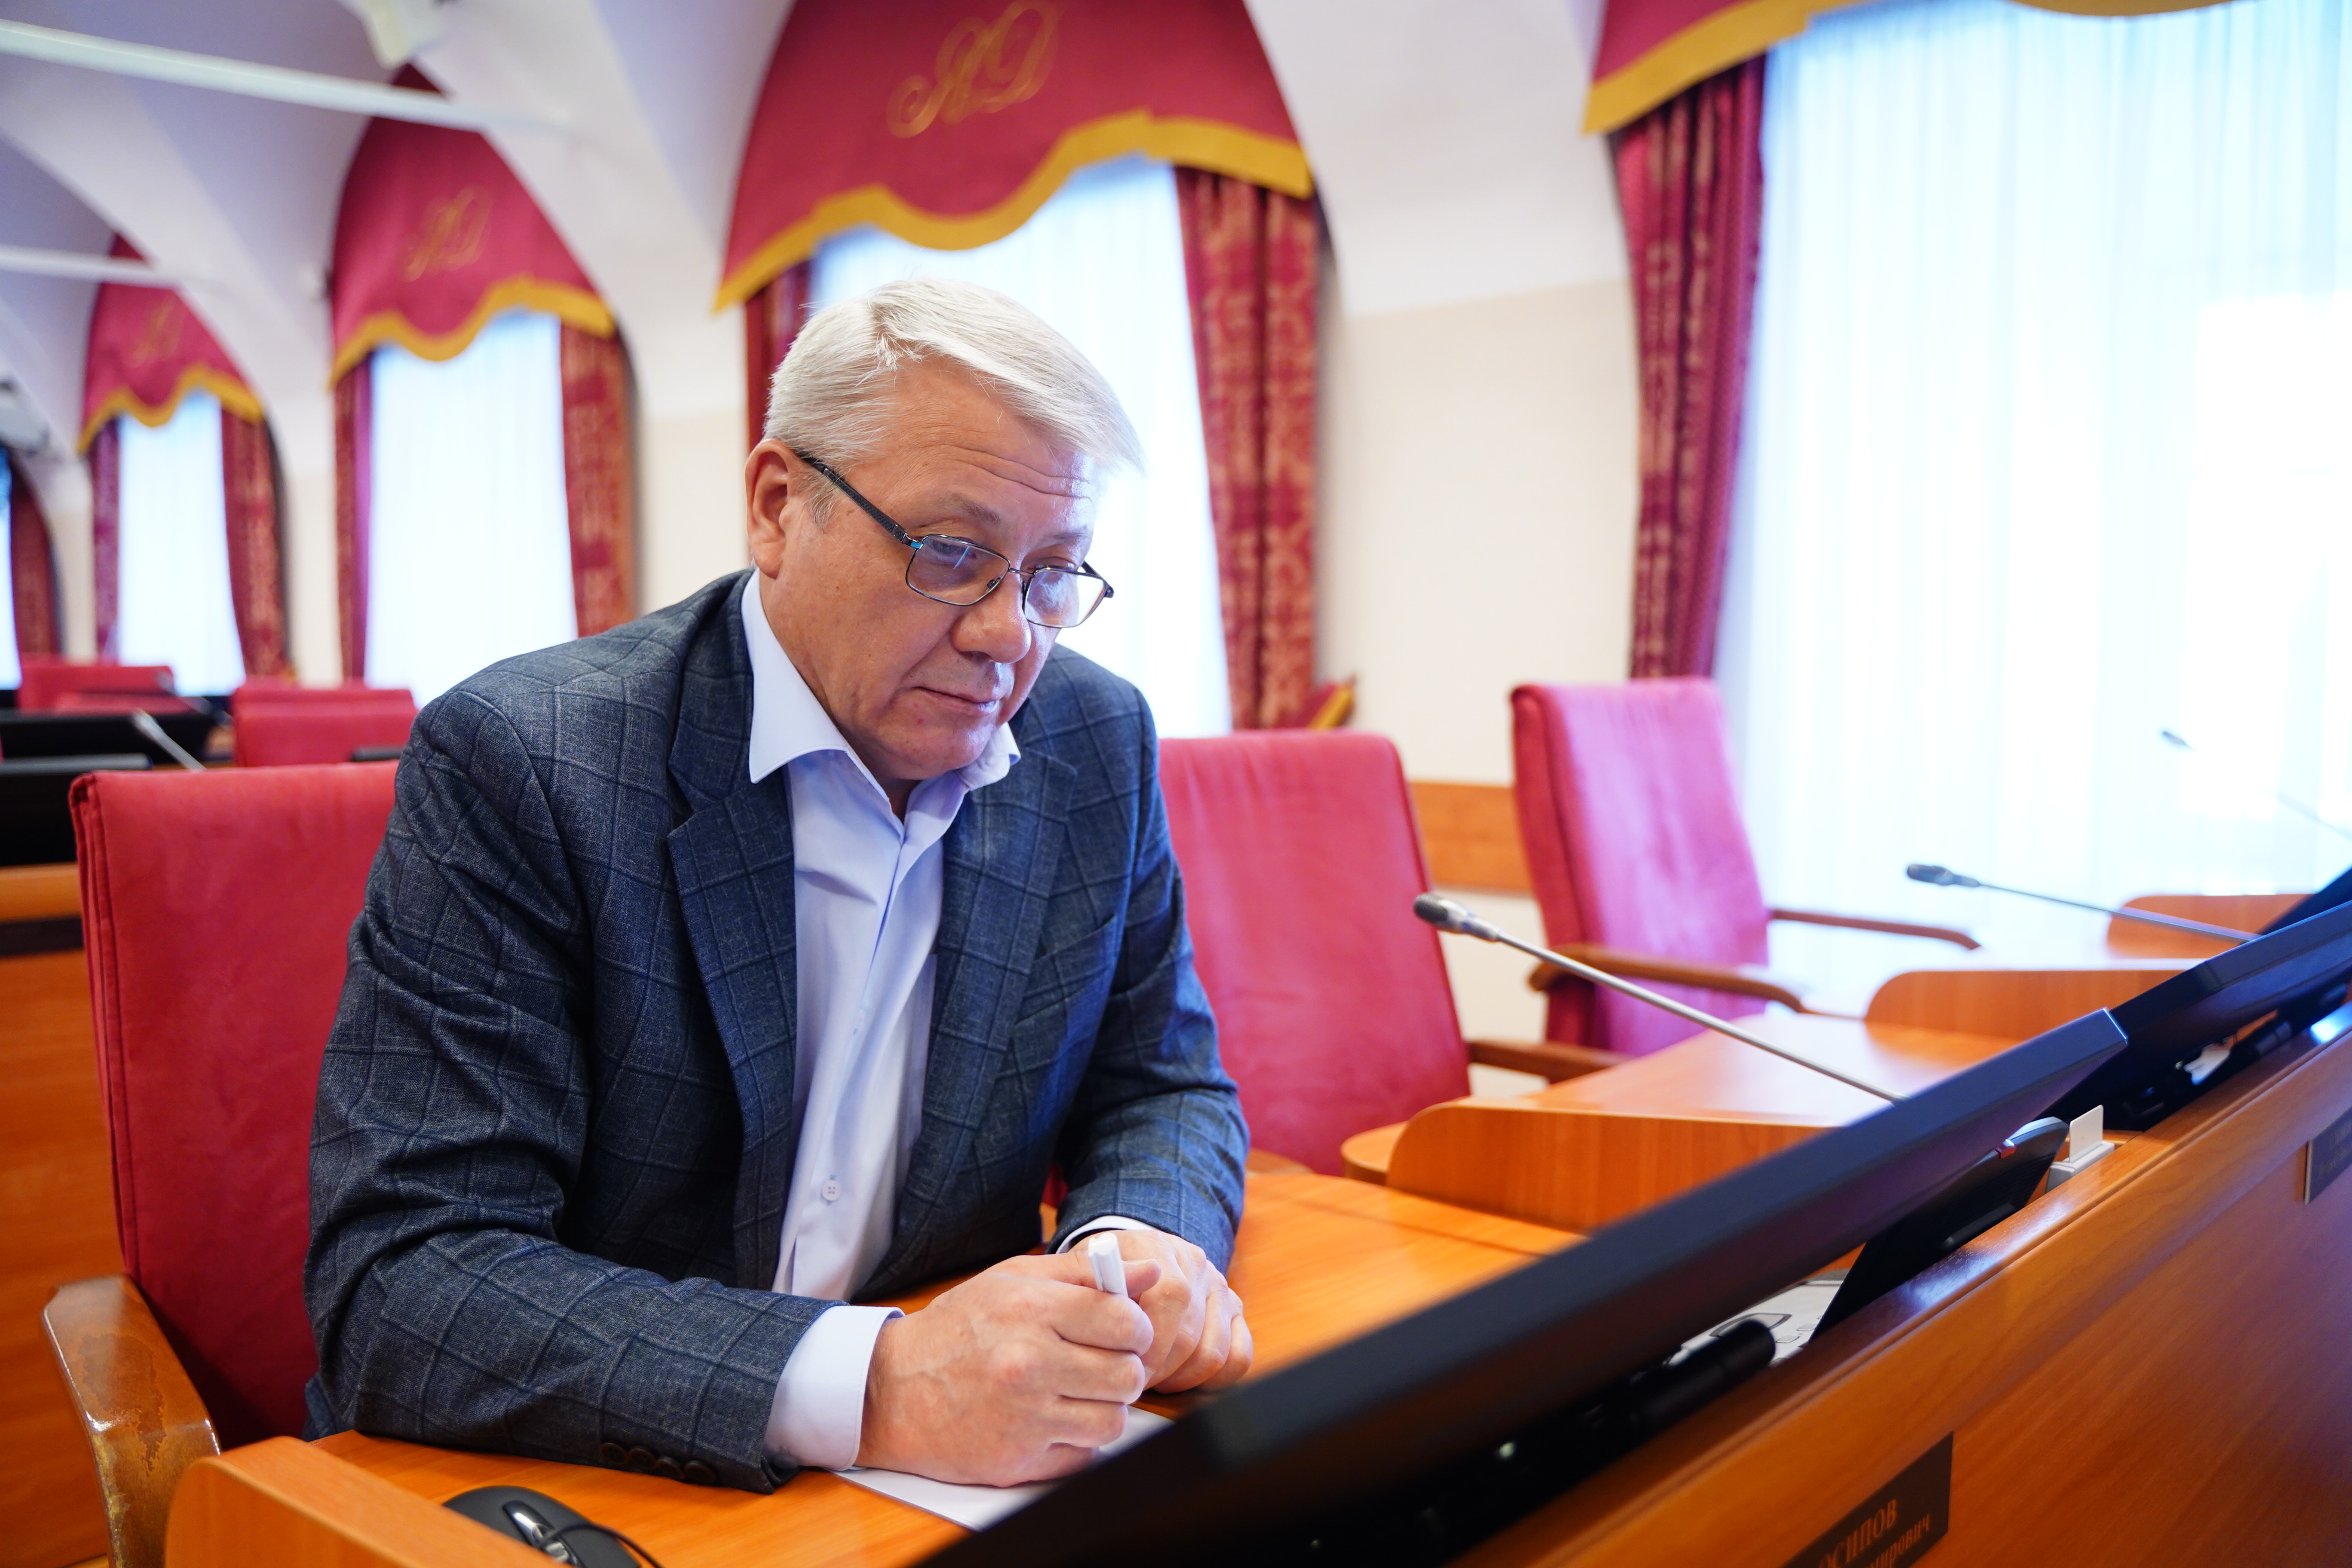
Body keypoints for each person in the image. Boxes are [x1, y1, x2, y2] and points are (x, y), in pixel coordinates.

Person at [305, 278, 1252, 1492]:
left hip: (948, 1484)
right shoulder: (529, 762)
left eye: (1053, 572)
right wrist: (877, 1381)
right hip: (597, 1481)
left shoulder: (1092, 742)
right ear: (776, 506)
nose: (1009, 634)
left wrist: (1138, 1249)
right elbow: (406, 1280)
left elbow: (1163, 1083)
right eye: (953, 553)